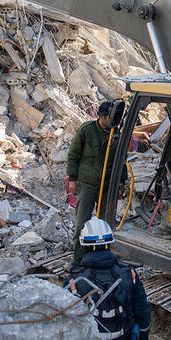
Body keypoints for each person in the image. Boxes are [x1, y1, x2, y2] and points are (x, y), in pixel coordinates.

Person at [65, 218, 152, 340]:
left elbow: (66, 323)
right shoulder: (129, 275)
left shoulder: (75, 282)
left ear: (84, 246)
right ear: (110, 243)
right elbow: (143, 312)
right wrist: (142, 339)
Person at [66, 101, 118, 270]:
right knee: (82, 221)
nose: (113, 121)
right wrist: (72, 179)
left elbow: (120, 161)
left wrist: (121, 182)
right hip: (87, 184)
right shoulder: (86, 130)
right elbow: (73, 155)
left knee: (106, 222)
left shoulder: (115, 134)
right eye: (110, 117)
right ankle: (79, 259)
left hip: (107, 186)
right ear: (102, 117)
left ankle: (104, 257)